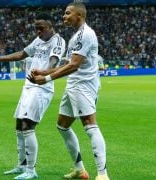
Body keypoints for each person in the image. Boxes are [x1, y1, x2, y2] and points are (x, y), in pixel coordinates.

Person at [27, 2, 109, 180]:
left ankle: (102, 174)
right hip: (73, 85)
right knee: (62, 126)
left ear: (79, 15)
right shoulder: (74, 37)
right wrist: (44, 71)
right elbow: (67, 64)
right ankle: (80, 170)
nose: (64, 16)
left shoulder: (85, 34)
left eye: (67, 13)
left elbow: (74, 65)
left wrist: (46, 79)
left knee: (90, 126)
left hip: (84, 86)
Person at [0, 12, 65, 180]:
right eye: (36, 29)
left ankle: (31, 170)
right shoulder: (38, 41)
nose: (38, 32)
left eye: (41, 29)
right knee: (19, 125)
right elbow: (22, 54)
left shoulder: (58, 41)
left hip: (42, 87)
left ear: (50, 27)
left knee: (27, 126)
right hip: (28, 86)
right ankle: (21, 166)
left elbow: (54, 62)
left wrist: (43, 73)